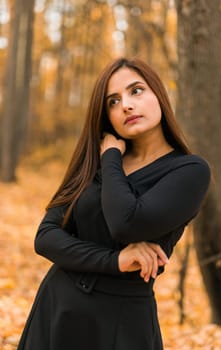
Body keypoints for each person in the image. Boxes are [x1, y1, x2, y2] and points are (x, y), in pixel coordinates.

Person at [17, 57, 210, 350]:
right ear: (107, 116)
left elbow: (126, 223)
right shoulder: (93, 162)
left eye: (136, 91)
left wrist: (111, 159)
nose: (126, 105)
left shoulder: (189, 170)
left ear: (159, 93)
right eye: (113, 101)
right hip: (58, 309)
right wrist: (114, 261)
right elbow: (46, 237)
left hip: (122, 322)